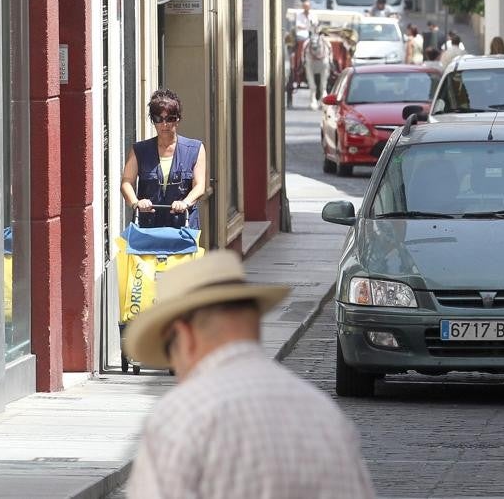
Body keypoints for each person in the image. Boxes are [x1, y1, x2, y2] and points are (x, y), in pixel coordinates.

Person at [124, 251, 375, 497]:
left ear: (185, 336)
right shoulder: (325, 416)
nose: (176, 369)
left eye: (169, 349)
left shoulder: (180, 417)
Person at [120, 89, 207, 229]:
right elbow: (126, 182)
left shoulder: (195, 149)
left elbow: (199, 186)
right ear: (153, 121)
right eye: (158, 119)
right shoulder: (139, 150)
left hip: (183, 228)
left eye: (170, 118)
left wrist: (185, 203)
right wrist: (136, 203)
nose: (164, 124)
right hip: (148, 228)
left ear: (178, 119)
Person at [305, 28, 331, 110]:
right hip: (308, 36)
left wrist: (319, 32)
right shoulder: (300, 16)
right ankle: (302, 60)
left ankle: (331, 59)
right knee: (304, 45)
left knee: (329, 45)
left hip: (319, 36)